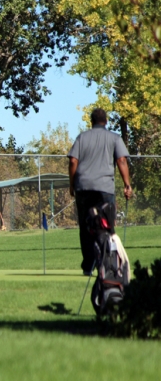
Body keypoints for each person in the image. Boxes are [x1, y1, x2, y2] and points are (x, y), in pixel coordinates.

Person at [67, 108, 132, 275]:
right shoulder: (114, 138)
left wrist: (72, 183)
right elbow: (122, 160)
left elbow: (73, 160)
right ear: (106, 121)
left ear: (91, 121)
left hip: (84, 188)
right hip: (105, 189)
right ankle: (108, 264)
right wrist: (127, 184)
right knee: (107, 226)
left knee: (85, 226)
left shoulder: (82, 137)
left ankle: (88, 265)